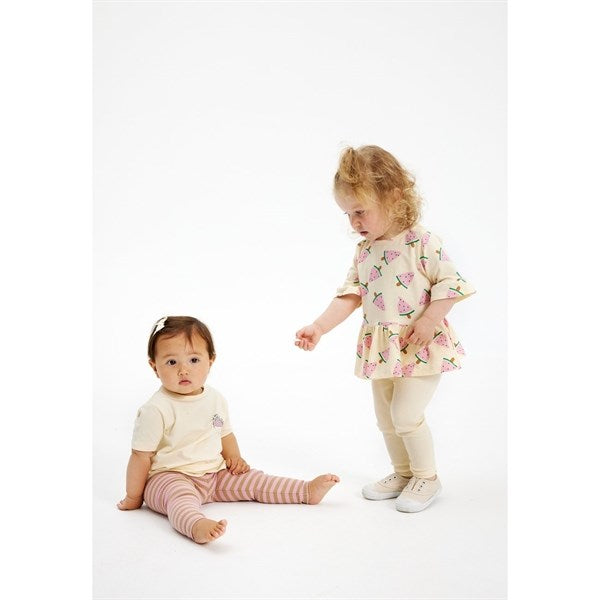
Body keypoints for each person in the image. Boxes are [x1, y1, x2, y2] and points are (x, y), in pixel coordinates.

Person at [295, 145, 475, 513]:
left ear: (393, 197)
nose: (354, 222)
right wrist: (319, 327)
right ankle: (404, 473)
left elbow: (451, 285)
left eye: (360, 211)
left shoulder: (422, 242)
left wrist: (429, 321)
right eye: (348, 214)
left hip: (418, 346)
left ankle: (427, 477)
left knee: (406, 416)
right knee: (386, 420)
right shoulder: (365, 251)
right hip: (383, 350)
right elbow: (350, 295)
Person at [118, 316, 339, 544]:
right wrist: (134, 496)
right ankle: (195, 524)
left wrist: (234, 458)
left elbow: (224, 433)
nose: (183, 370)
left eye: (194, 360)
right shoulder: (156, 409)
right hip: (169, 478)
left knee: (255, 480)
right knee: (179, 498)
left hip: (215, 475)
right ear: (154, 366)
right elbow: (140, 456)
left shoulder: (215, 399)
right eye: (172, 362)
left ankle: (305, 491)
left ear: (210, 361)